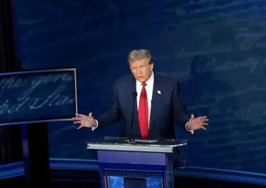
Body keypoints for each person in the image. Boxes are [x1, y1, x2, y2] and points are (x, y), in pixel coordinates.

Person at [72, 49, 209, 139]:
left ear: (151, 65)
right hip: (131, 149)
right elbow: (114, 113)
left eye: (141, 67)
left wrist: (187, 124)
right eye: (134, 68)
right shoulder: (121, 86)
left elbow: (178, 113)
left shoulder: (169, 85)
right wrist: (95, 122)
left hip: (162, 148)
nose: (138, 72)